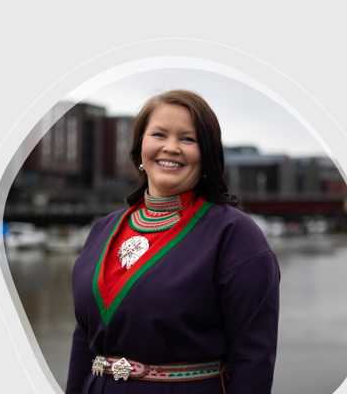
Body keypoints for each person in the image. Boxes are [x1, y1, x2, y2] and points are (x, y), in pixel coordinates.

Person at [66, 90, 280, 393]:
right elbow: (83, 339)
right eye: (159, 134)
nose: (171, 147)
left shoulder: (236, 235)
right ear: (140, 144)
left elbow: (253, 359)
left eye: (188, 139)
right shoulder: (102, 229)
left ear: (206, 152)